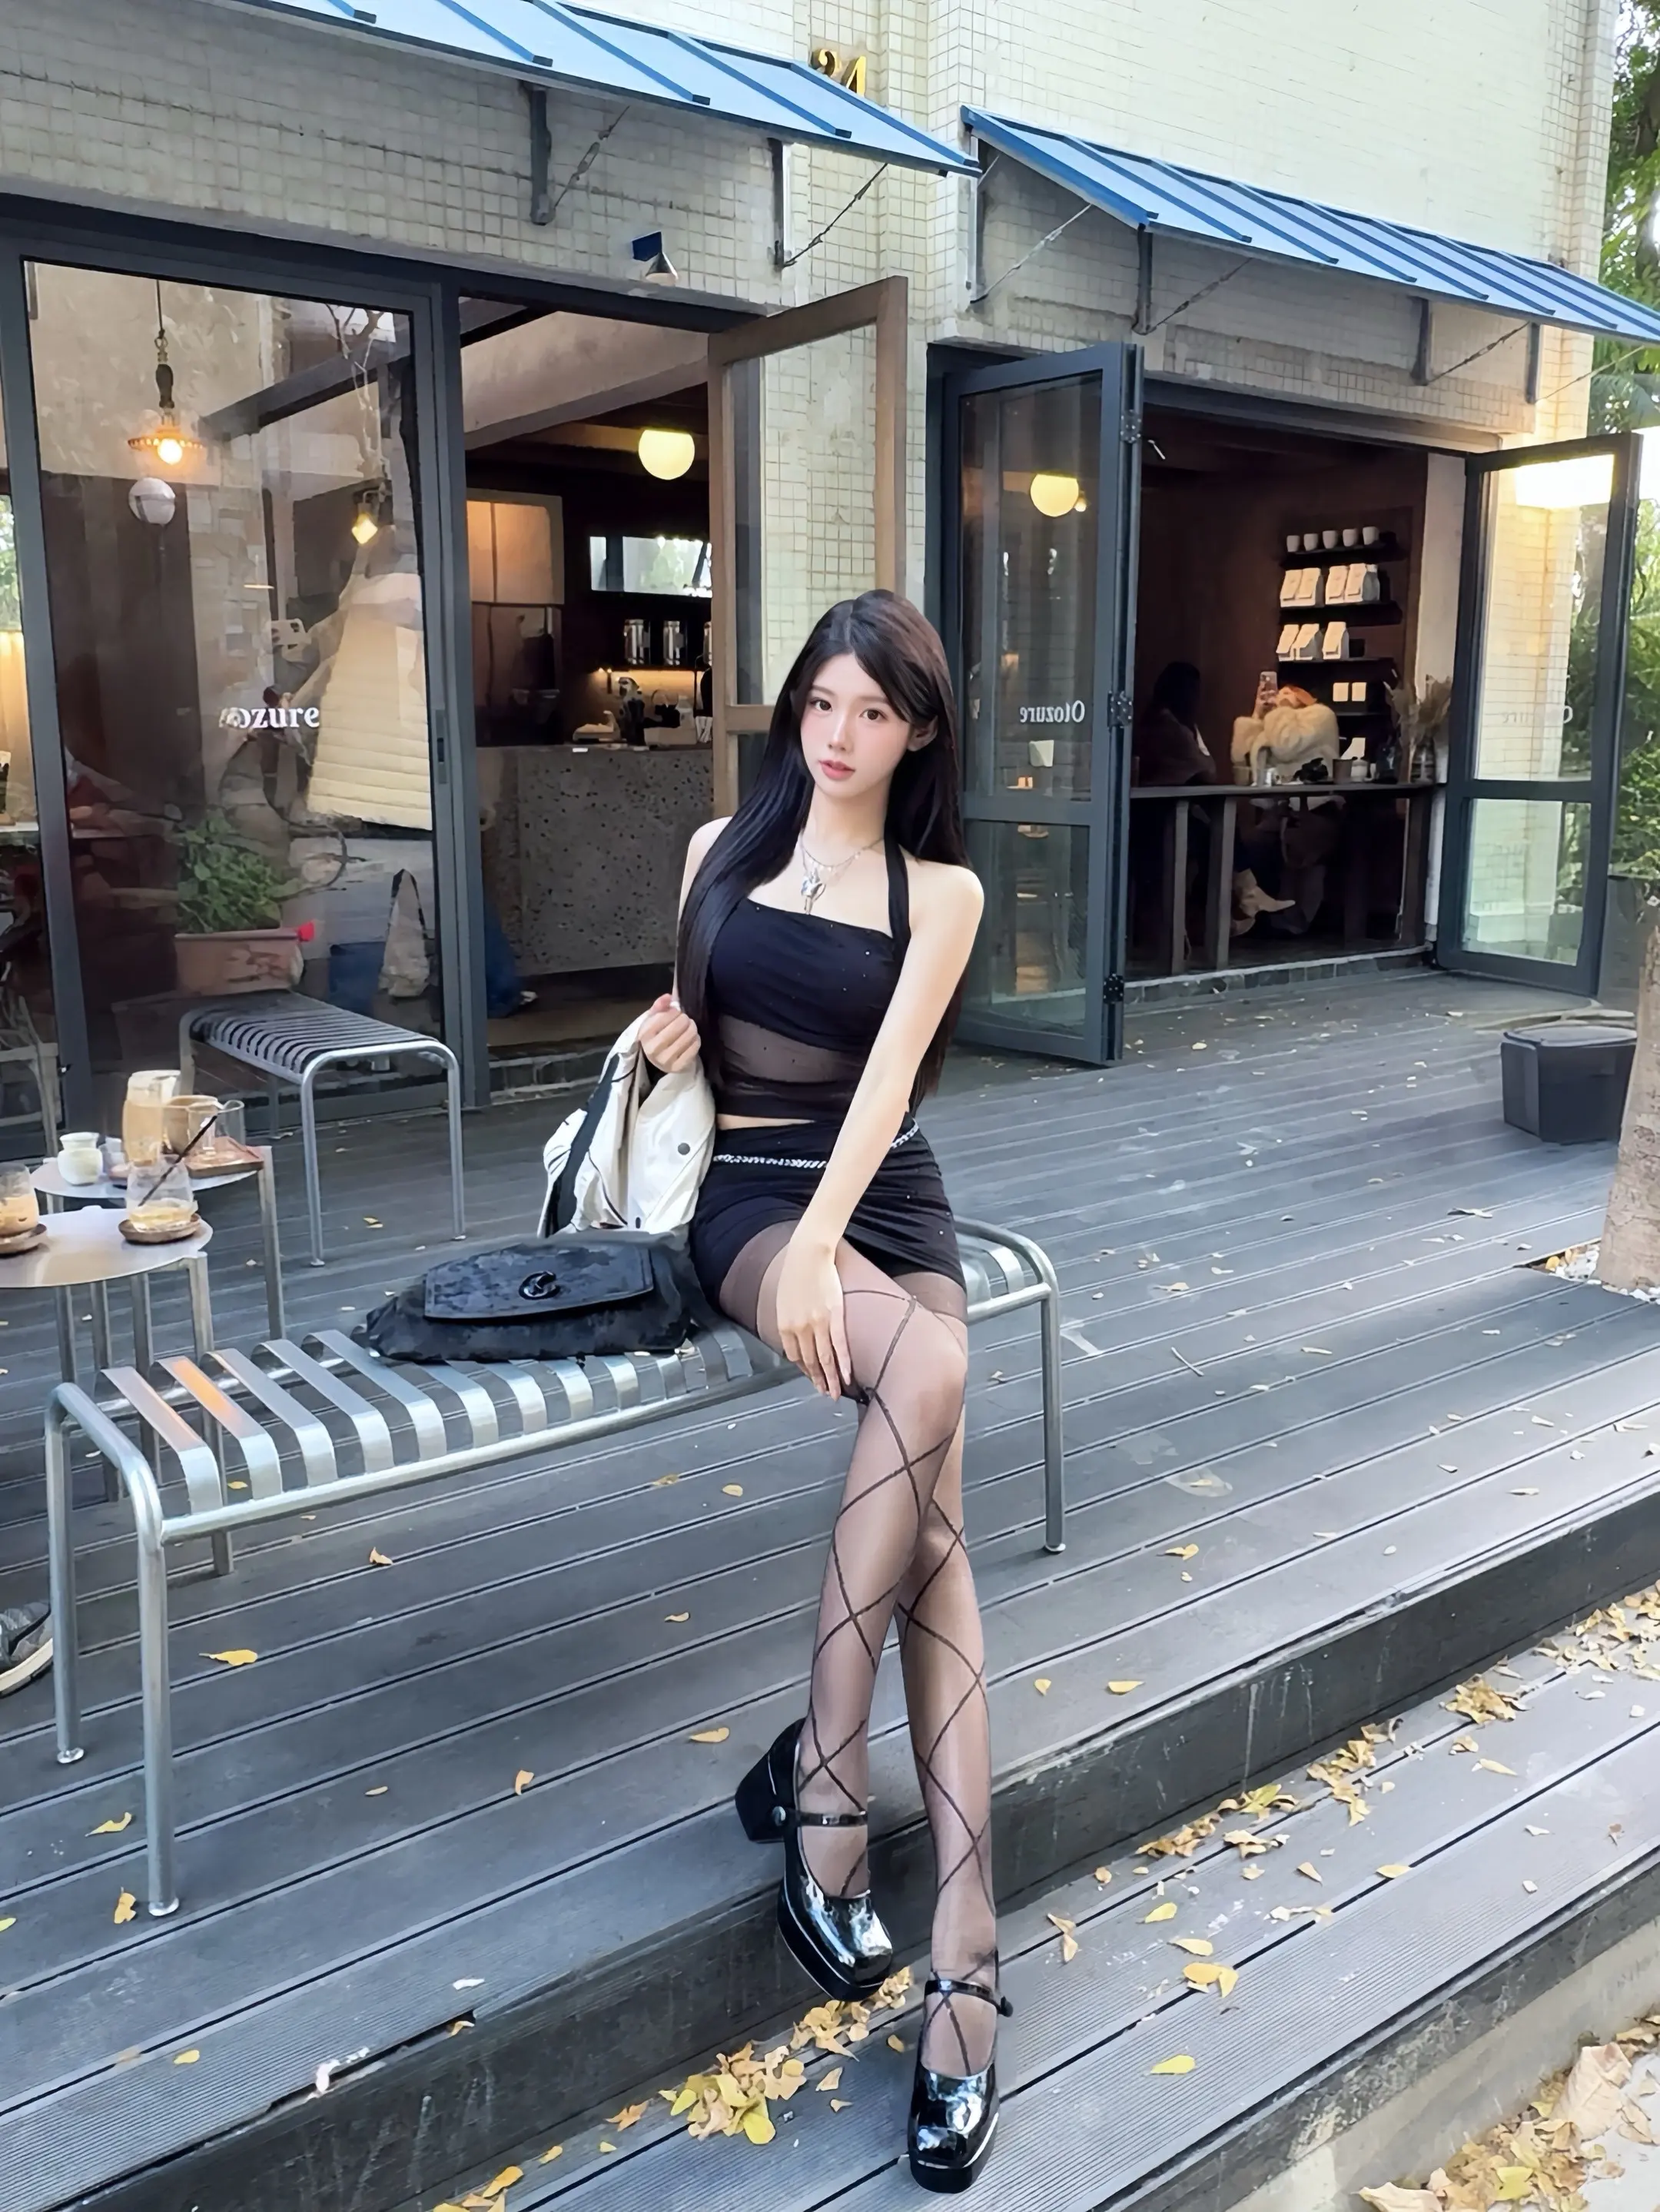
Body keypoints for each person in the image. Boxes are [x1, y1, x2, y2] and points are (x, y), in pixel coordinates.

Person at [638, 592, 1004, 2193]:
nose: (840, 733)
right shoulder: (717, 845)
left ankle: (935, 1919)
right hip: (740, 1195)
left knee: (939, 1514)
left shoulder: (942, 891)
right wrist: (667, 1045)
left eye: (874, 710)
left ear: (917, 731)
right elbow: (698, 1050)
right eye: (822, 702)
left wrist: (827, 1249)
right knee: (936, 1372)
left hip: (877, 1195)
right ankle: (846, 1811)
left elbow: (886, 1089)